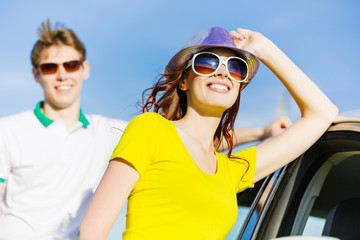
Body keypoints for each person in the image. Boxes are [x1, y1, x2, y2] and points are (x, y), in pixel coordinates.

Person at [78, 26, 338, 239]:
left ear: (239, 85)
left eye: (236, 67)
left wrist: (264, 49)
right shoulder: (150, 129)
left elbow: (323, 113)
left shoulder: (232, 170)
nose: (223, 71)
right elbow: (92, 230)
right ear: (183, 81)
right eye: (206, 63)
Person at [0, 20, 128, 240]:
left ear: (84, 68)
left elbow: (169, 131)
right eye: (50, 67)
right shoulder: (7, 131)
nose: (62, 75)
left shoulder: (110, 132)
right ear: (36, 74)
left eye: (71, 65)